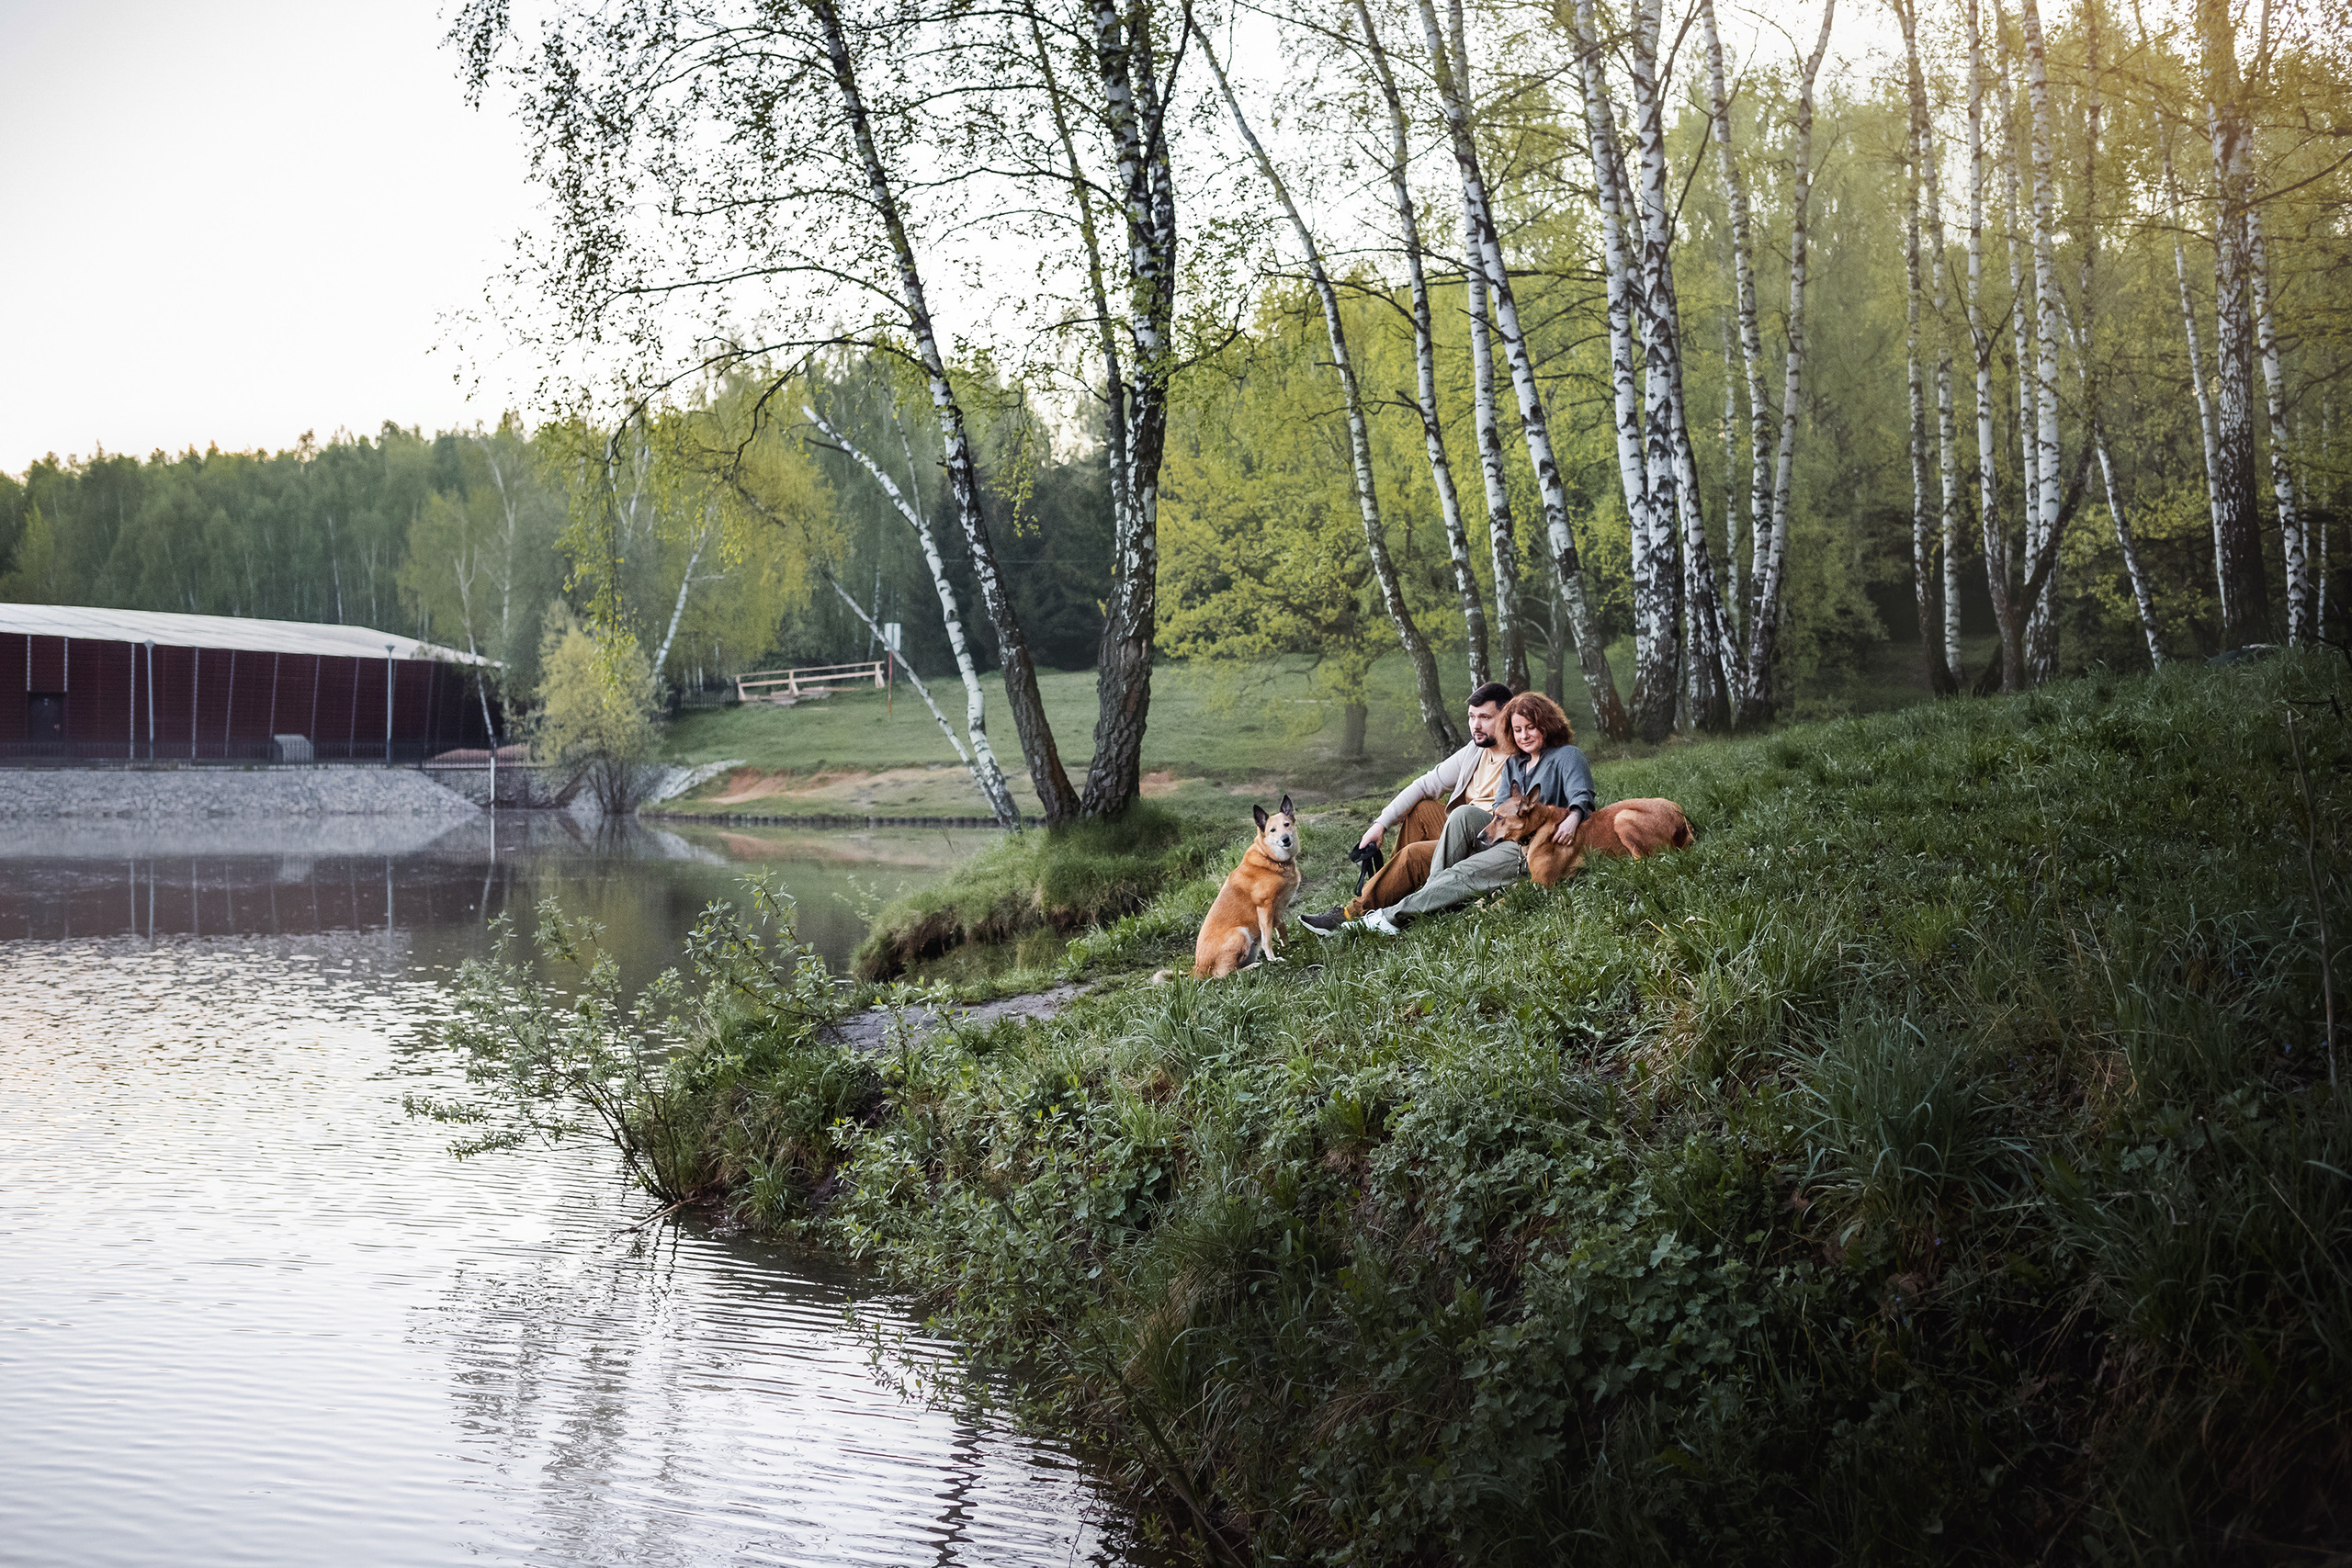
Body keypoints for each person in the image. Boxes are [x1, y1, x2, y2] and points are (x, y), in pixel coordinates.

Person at [1349, 690, 1594, 936]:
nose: (1524, 736)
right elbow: (1498, 809)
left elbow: (1582, 796)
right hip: (1505, 835)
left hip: (1534, 844)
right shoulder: (1513, 763)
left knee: (1461, 872)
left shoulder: (1566, 756)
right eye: (1517, 730)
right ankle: (1429, 897)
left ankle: (1391, 917)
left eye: (1531, 728)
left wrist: (1573, 819)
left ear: (1547, 726)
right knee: (1462, 814)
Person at [1300, 682, 1518, 934]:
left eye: (1485, 717)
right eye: (1471, 716)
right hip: (1459, 830)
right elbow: (1426, 784)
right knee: (1422, 808)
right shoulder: (1475, 751)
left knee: (1413, 855)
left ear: (1506, 717)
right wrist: (1380, 824)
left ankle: (1353, 914)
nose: (1475, 725)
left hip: (1485, 842)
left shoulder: (1522, 756)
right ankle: (1398, 893)